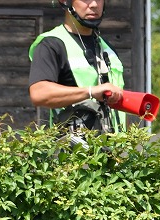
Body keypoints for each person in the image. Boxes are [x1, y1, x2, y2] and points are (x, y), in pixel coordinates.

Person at [28, 0, 125, 132]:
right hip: (74, 149)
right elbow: (39, 93)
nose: (94, 5)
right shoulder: (51, 44)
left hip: (117, 149)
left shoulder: (107, 48)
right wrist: (90, 91)